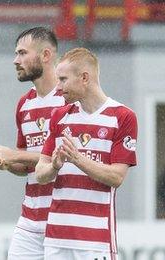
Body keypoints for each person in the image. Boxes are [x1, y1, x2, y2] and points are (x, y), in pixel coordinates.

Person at [35, 47, 137, 259]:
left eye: (63, 80)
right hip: (56, 237)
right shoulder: (60, 116)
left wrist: (78, 159)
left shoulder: (122, 117)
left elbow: (116, 177)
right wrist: (54, 166)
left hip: (96, 240)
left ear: (84, 78)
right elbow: (40, 173)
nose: (58, 87)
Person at [0, 27, 65, 260]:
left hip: (63, 215)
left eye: (22, 53)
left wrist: (12, 155)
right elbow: (27, 166)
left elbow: (67, 157)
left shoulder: (70, 100)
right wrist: (6, 164)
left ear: (46, 55)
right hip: (30, 218)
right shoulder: (24, 104)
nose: (15, 60)